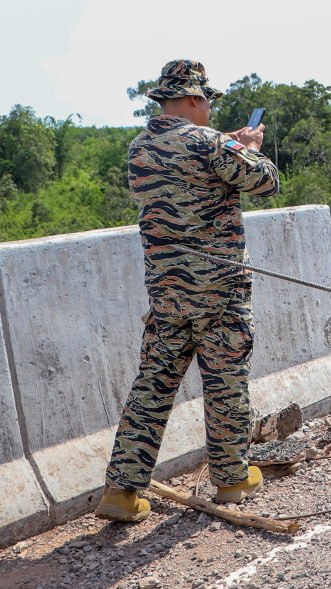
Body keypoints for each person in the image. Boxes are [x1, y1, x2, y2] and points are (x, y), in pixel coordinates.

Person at [95, 60, 280, 522]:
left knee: (152, 387)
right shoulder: (210, 143)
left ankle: (121, 492)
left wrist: (226, 145)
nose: (210, 108)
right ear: (195, 99)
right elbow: (266, 180)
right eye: (207, 101)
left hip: (167, 293)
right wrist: (250, 148)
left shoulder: (140, 148)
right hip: (220, 292)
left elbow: (187, 170)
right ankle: (232, 479)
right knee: (225, 382)